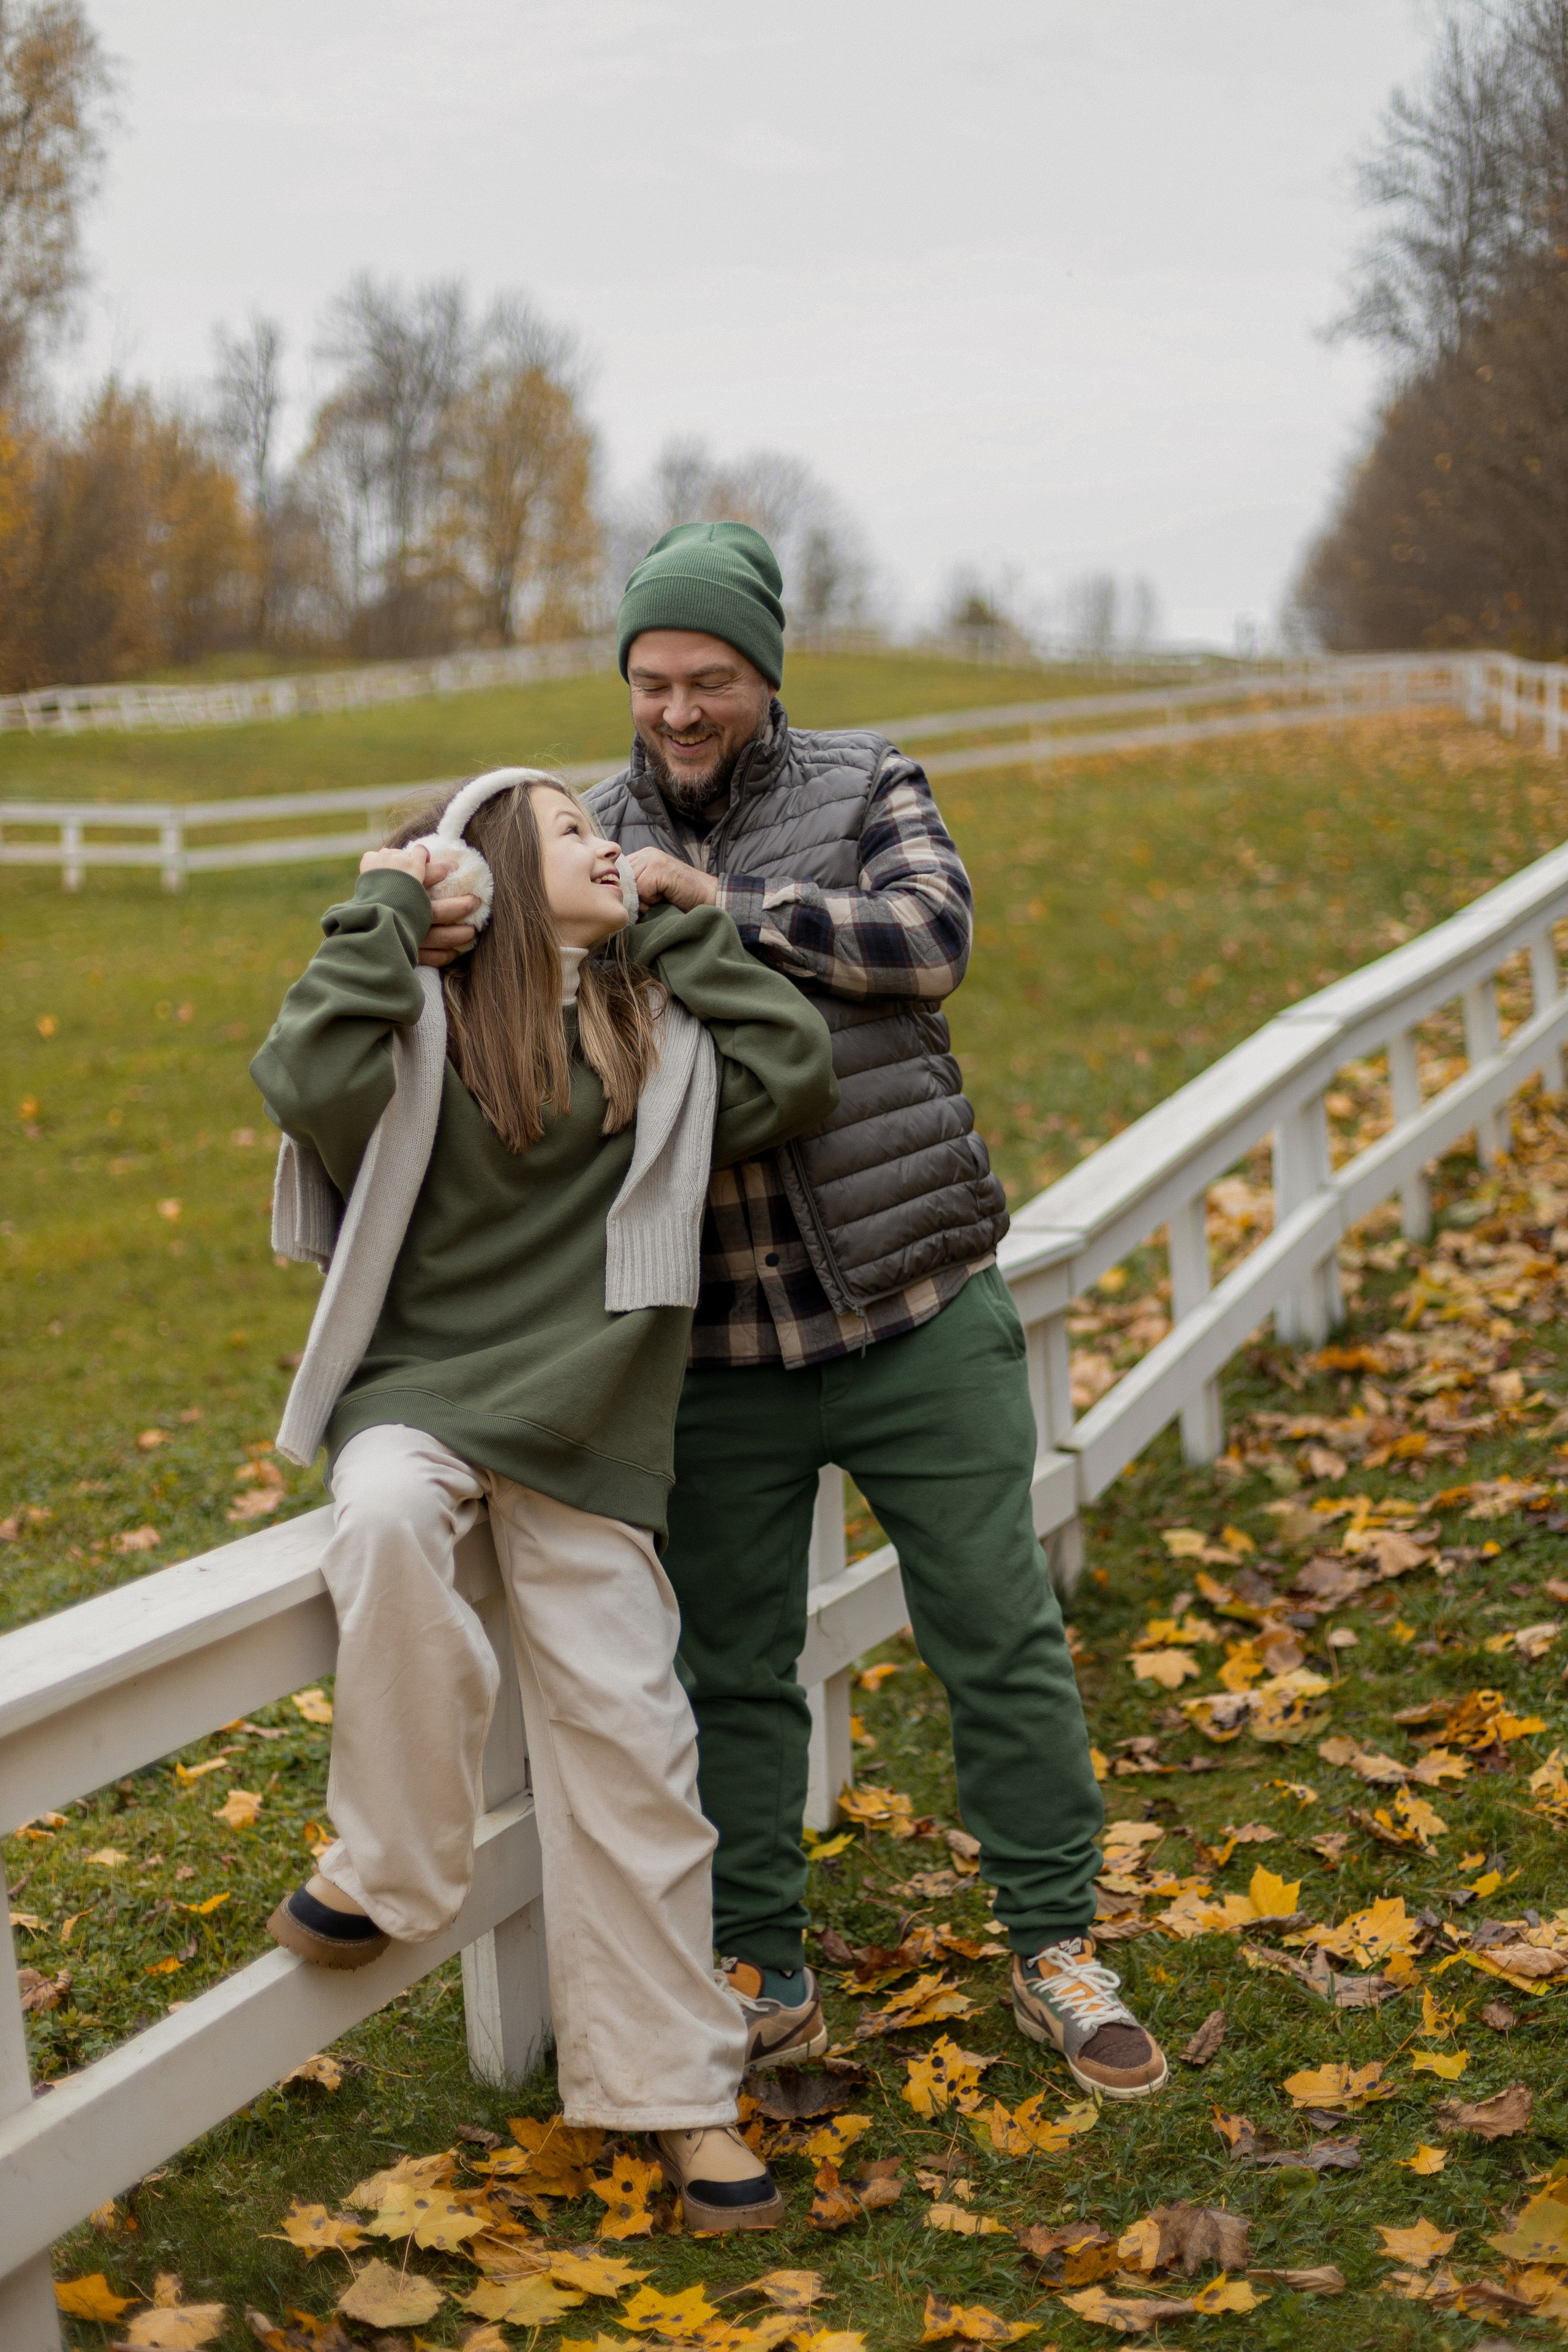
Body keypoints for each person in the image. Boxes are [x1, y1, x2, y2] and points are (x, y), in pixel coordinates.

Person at [582, 522, 1170, 2100]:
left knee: (997, 1630)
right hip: (716, 1349)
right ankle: (759, 1965)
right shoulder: (581, 831)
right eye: (652, 680)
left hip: (916, 1306)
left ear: (765, 677)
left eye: (710, 678)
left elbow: (930, 939)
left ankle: (1053, 1942)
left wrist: (717, 905)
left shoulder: (865, 783)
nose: (678, 710)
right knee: (730, 1671)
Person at [250, 767, 839, 2229]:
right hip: (421, 1399)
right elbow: (302, 1082)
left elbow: (794, 1075)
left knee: (637, 1749)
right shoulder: (421, 1022)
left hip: (590, 1432)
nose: (612, 842)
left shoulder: (652, 1033)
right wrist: (386, 908)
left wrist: (689, 928)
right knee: (384, 1522)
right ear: (492, 872)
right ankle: (392, 1866)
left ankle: (679, 2097)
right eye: (576, 831)